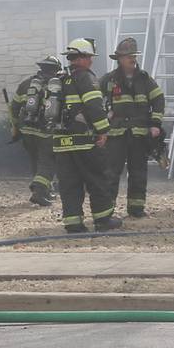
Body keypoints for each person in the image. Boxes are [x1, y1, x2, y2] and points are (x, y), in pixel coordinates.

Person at [52, 38, 122, 233]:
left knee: (69, 184)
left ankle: (73, 223)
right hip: (83, 140)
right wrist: (103, 131)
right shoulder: (85, 77)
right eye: (89, 57)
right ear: (81, 58)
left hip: (61, 142)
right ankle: (103, 220)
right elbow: (94, 106)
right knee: (98, 179)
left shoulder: (60, 79)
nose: (91, 61)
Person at [100, 37, 165, 218]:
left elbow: (159, 100)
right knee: (111, 173)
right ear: (119, 59)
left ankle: (136, 209)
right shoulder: (108, 80)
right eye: (128, 56)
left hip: (139, 134)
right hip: (116, 134)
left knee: (138, 172)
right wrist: (104, 117)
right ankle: (107, 210)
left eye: (134, 55)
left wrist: (155, 124)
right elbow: (94, 100)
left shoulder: (145, 79)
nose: (132, 59)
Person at [10, 55, 62, 206]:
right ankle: (39, 192)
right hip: (46, 132)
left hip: (26, 130)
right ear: (56, 70)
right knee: (48, 163)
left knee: (35, 161)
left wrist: (15, 127)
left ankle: (44, 190)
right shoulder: (58, 85)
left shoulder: (26, 84)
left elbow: (14, 108)